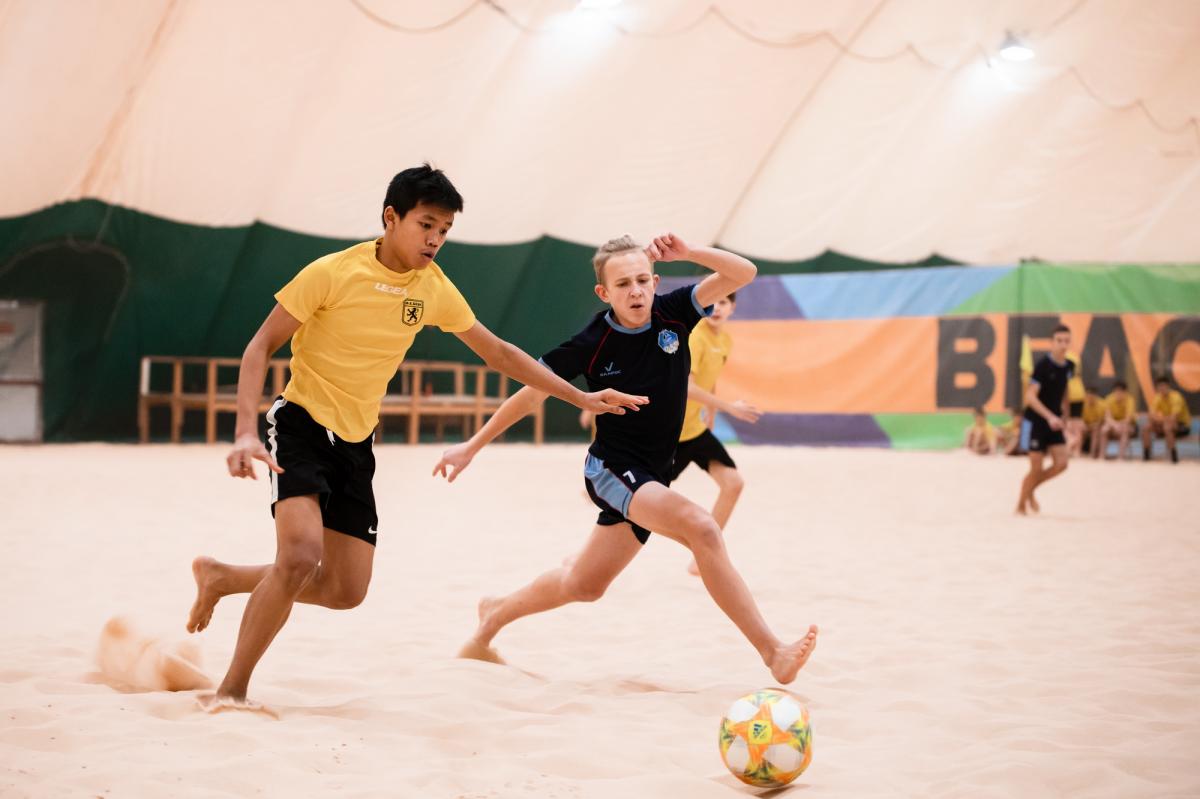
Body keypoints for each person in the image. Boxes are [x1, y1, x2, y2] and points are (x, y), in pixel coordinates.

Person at [185, 165, 645, 712]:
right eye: (426, 225)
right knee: (300, 556)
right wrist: (244, 431)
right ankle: (231, 691)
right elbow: (260, 345)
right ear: (391, 217)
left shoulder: (432, 288)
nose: (435, 239)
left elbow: (499, 353)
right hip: (302, 423)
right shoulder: (332, 273)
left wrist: (582, 398)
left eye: (444, 230)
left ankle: (222, 577)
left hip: (356, 442)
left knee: (345, 590)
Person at [433, 234, 818, 685]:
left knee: (584, 585)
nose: (635, 291)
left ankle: (494, 615)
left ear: (654, 281)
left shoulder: (676, 311)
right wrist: (472, 445)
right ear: (604, 292)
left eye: (641, 280)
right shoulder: (592, 342)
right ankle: (773, 652)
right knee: (702, 528)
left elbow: (744, 272)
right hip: (611, 469)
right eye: (622, 284)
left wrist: (690, 252)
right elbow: (529, 395)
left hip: (652, 474)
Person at [665, 291, 761, 575]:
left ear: (732, 307)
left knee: (733, 484)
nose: (716, 308)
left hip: (695, 430)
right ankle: (586, 555)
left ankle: (702, 557)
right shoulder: (696, 337)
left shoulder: (724, 341)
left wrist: (712, 413)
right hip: (671, 434)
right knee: (637, 503)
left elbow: (709, 381)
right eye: (712, 302)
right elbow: (688, 386)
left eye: (723, 302)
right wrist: (729, 407)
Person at [1016, 325, 1073, 515]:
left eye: (1067, 341)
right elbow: (1030, 397)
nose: (1063, 345)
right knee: (1036, 468)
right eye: (1059, 340)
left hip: (1054, 421)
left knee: (1062, 463)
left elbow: (1065, 390)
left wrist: (1065, 415)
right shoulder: (1042, 366)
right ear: (1051, 342)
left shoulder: (1069, 366)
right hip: (1036, 422)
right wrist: (1049, 416)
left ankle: (1030, 489)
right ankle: (1020, 505)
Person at [1142, 376, 1192, 463]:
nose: (1162, 388)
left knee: (1167, 427)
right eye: (1159, 386)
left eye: (1163, 386)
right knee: (1146, 428)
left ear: (1168, 386)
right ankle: (1146, 455)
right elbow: (1150, 415)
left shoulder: (1176, 396)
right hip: (1165, 424)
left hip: (1182, 426)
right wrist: (1159, 419)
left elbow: (1174, 417)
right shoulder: (1158, 397)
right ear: (1157, 388)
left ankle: (1173, 456)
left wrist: (1158, 419)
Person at [1095, 380, 1136, 460]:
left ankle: (1120, 457)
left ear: (1125, 392)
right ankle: (1102, 455)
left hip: (1128, 425)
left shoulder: (1130, 400)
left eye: (1120, 392)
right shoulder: (1109, 398)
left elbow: (1128, 419)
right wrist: (1114, 425)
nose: (1118, 394)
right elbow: (1107, 417)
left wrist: (1118, 425)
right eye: (1116, 391)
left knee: (1124, 429)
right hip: (1113, 425)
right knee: (1104, 429)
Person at [1064, 351, 1087, 456]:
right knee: (1076, 424)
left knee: (1071, 424)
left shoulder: (1067, 359)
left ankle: (1074, 447)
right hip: (1079, 394)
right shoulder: (1075, 358)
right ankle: (1077, 451)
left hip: (1071, 394)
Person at [1078, 385, 1106, 457]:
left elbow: (1101, 421)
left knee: (1096, 431)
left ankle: (1092, 453)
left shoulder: (1102, 404)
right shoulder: (1084, 404)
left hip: (1098, 426)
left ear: (1095, 396)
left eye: (1091, 396)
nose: (1089, 398)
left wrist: (1092, 426)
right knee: (1080, 429)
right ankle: (1078, 452)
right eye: (1088, 395)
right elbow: (1081, 419)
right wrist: (1084, 425)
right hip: (1088, 425)